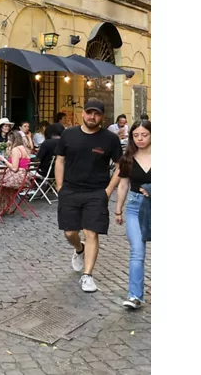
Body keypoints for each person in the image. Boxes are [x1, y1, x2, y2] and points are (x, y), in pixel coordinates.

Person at [55, 99, 122, 293]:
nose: (92, 117)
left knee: (91, 232)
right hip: (70, 190)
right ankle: (79, 249)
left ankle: (87, 275)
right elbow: (60, 160)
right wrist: (59, 186)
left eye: (97, 114)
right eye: (89, 112)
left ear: (102, 116)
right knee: (69, 232)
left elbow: (120, 167)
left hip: (96, 192)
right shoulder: (69, 135)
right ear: (83, 114)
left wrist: (108, 191)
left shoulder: (110, 139)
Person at [114, 120, 151, 310]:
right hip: (135, 207)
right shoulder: (127, 158)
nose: (140, 139)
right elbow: (123, 185)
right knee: (137, 252)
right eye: (136, 135)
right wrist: (118, 209)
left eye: (144, 135)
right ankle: (135, 295)